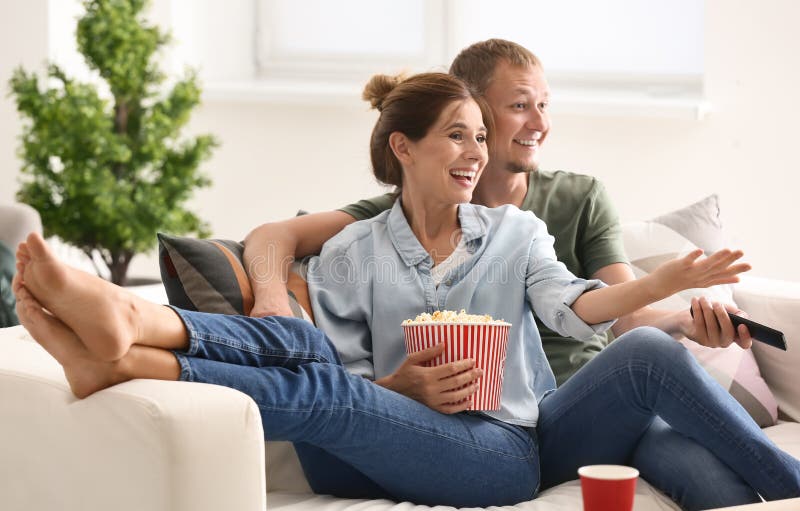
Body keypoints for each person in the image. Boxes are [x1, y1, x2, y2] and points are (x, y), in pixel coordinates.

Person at [13, 73, 799, 511]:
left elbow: (573, 305)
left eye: (480, 136)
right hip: (367, 447)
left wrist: (661, 282)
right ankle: (131, 322)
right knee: (316, 364)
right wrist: (399, 386)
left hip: (503, 446)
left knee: (651, 351)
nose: (476, 152)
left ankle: (128, 349)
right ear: (404, 148)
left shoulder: (515, 232)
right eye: (458, 134)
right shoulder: (352, 249)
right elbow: (329, 365)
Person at [242, 39, 751, 387]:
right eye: (521, 105)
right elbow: (272, 236)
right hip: (511, 412)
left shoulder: (574, 201)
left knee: (683, 446)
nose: (540, 123)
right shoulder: (403, 216)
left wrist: (685, 318)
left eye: (545, 105)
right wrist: (271, 299)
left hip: (593, 390)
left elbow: (627, 319)